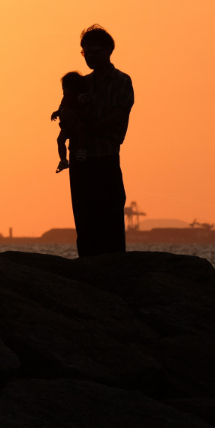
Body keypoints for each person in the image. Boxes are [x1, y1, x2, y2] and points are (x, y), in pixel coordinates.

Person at [66, 25, 134, 256]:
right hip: (80, 157)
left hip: (105, 156)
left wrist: (88, 129)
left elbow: (118, 116)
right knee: (84, 217)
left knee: (110, 215)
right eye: (85, 52)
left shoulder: (121, 81)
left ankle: (113, 267)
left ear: (108, 50)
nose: (89, 57)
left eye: (94, 51)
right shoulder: (80, 84)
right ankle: (88, 266)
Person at [51, 70, 88, 173]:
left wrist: (73, 113)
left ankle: (82, 150)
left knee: (82, 134)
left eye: (65, 88)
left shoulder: (80, 96)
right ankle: (63, 160)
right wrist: (56, 113)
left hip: (78, 123)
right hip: (67, 126)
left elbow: (86, 109)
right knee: (60, 140)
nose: (64, 91)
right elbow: (61, 109)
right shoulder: (65, 99)